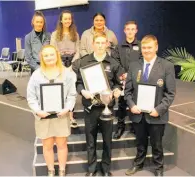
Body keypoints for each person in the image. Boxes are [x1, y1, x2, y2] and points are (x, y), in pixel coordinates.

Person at [72, 33, 123, 176]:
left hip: (107, 109)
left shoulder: (113, 63)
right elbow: (78, 82)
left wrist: (117, 90)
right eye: (97, 43)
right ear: (93, 44)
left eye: (103, 43)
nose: (100, 46)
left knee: (107, 141)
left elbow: (119, 83)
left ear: (107, 44)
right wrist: (82, 91)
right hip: (91, 108)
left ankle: (106, 169)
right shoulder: (84, 62)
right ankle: (92, 169)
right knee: (90, 140)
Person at [124, 35, 176, 176]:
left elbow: (170, 93)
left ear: (156, 47)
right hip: (138, 113)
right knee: (140, 143)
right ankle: (138, 164)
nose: (146, 50)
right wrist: (132, 105)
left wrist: (159, 110)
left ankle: (158, 168)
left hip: (156, 115)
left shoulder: (167, 66)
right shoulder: (134, 66)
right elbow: (127, 91)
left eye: (149, 47)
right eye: (144, 48)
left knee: (157, 144)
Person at [27, 45, 77, 176]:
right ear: (42, 58)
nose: (49, 58)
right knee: (47, 145)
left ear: (57, 56)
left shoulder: (66, 74)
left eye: (51, 54)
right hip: (43, 117)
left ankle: (61, 169)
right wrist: (38, 111)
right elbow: (31, 97)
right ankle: (51, 169)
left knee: (62, 144)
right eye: (46, 55)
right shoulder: (36, 75)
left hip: (61, 116)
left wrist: (67, 108)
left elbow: (72, 94)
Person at [111, 21, 141, 139]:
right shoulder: (118, 47)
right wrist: (123, 74)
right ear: (124, 31)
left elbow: (142, 61)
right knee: (122, 104)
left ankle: (135, 126)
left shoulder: (140, 45)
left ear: (136, 31)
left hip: (136, 79)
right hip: (122, 80)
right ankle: (120, 127)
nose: (130, 31)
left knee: (135, 103)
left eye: (132, 29)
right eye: (128, 29)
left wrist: (131, 74)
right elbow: (115, 61)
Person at [51, 10, 80, 128]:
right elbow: (53, 49)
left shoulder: (76, 35)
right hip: (60, 65)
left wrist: (72, 64)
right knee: (61, 90)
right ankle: (62, 114)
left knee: (71, 91)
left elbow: (78, 50)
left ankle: (71, 117)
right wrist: (61, 64)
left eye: (69, 18)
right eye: (65, 18)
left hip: (72, 66)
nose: (67, 20)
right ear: (61, 20)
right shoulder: (54, 34)